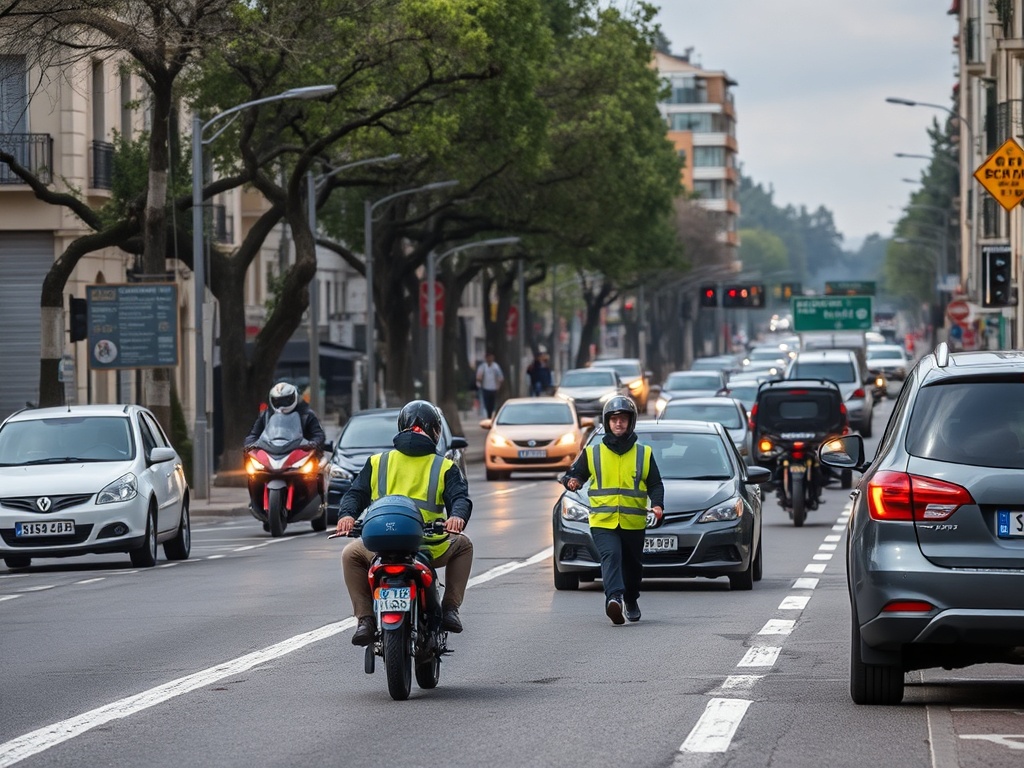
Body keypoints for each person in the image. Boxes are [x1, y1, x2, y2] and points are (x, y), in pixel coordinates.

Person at [335, 400, 474, 646]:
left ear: (401, 427)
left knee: (350, 555)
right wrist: (457, 518)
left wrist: (347, 516)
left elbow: (355, 494)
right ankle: (450, 608)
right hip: (428, 543)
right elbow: (459, 498)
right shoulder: (444, 466)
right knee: (464, 545)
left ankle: (365, 619)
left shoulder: (378, 462)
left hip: (380, 543)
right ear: (435, 431)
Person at [560, 395, 664, 625]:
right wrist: (573, 481)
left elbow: (655, 484)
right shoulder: (593, 452)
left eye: (623, 419)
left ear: (631, 422)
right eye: (614, 419)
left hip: (633, 522)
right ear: (607, 422)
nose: (618, 423)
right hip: (602, 521)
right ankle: (614, 599)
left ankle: (631, 599)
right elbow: (574, 475)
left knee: (633, 566)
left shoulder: (644, 453)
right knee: (612, 555)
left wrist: (657, 505)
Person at [244, 381, 326, 450]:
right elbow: (253, 435)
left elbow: (318, 434)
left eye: (286, 400)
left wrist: (312, 443)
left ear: (294, 396)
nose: (282, 404)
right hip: (271, 452)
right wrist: (250, 444)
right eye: (277, 401)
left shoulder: (306, 414)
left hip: (301, 452)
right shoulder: (267, 415)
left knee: (322, 462)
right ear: (271, 400)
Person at [475, 351, 504, 418]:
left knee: (492, 404)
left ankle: (491, 415)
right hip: (485, 389)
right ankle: (487, 416)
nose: (489, 359)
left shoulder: (496, 367)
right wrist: (479, 380)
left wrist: (498, 385)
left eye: (490, 357)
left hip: (493, 389)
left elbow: (501, 378)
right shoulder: (482, 367)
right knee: (486, 404)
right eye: (488, 357)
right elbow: (478, 377)